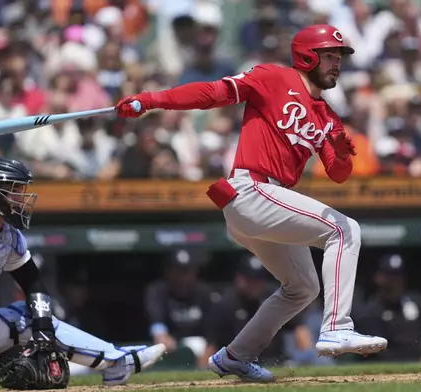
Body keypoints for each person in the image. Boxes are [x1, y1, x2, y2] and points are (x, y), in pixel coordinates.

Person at [115, 24, 387, 382]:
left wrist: (340, 153)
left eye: (339, 58)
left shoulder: (327, 115)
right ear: (307, 56)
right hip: (251, 188)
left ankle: (235, 356)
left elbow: (338, 173)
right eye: (330, 57)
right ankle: (337, 326)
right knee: (344, 228)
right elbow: (213, 92)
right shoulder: (273, 77)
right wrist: (152, 100)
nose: (337, 65)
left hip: (267, 203)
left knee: (303, 287)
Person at [0, 156, 166, 391]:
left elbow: (33, 283)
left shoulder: (8, 237)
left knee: (31, 317)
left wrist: (43, 331)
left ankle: (117, 362)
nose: (21, 198)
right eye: (14, 190)